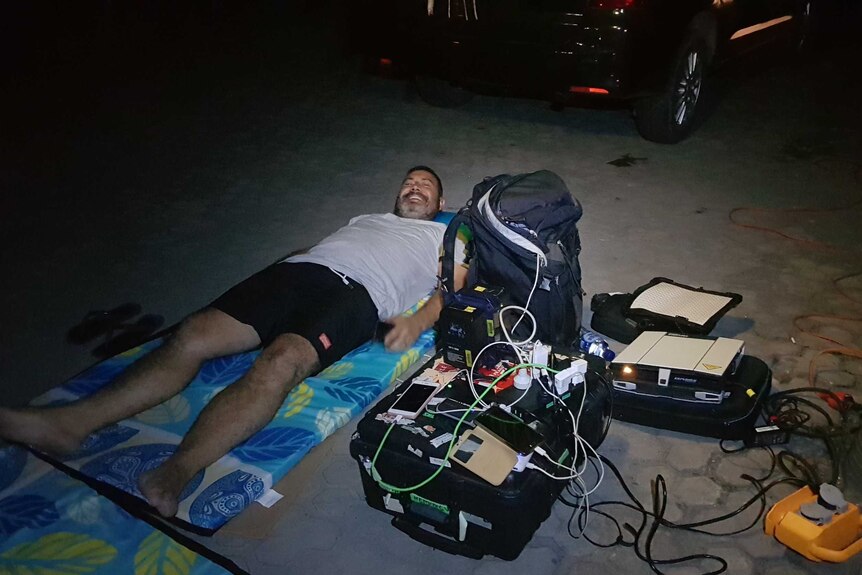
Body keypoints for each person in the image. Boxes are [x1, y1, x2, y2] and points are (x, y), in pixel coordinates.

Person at [0, 166, 467, 518]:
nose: (414, 187)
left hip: (356, 295)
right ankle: (71, 424)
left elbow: (455, 289)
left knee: (280, 363)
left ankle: (176, 471)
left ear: (440, 199)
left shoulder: (444, 236)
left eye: (425, 184)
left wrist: (418, 321)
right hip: (295, 274)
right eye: (408, 181)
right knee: (192, 335)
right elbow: (312, 249)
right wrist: (277, 270)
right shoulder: (364, 217)